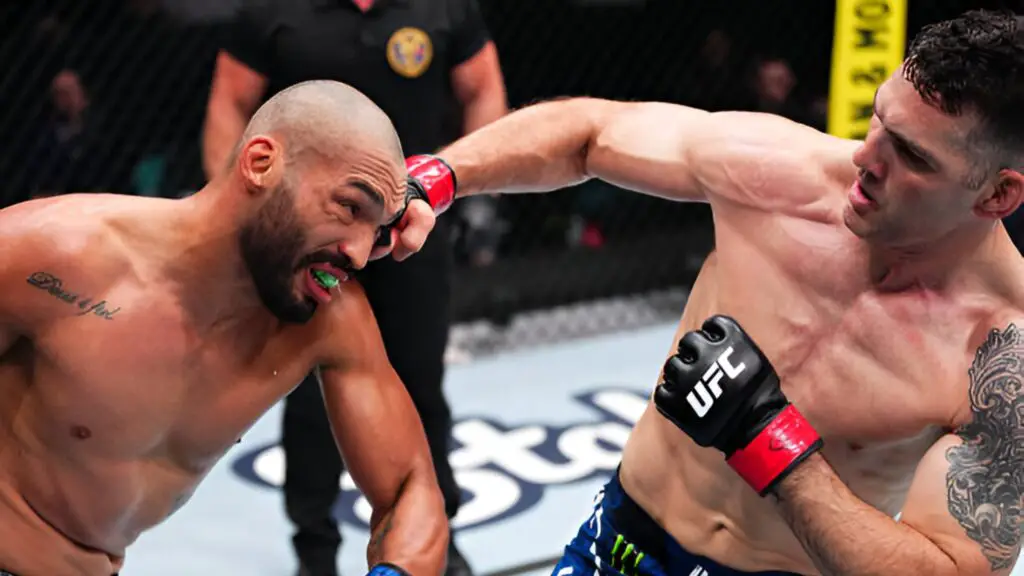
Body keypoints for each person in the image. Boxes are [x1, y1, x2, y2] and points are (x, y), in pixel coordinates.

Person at [406, 10, 1024, 575]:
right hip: (624, 539)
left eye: (912, 155)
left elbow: (946, 569)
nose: (866, 157)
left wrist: (770, 443)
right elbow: (591, 134)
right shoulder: (786, 176)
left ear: (997, 194)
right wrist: (432, 180)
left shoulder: (1002, 355)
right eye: (878, 119)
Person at [0, 79, 452, 576]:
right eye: (350, 207)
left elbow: (410, 489)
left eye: (377, 227)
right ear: (261, 164)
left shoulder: (327, 319)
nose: (361, 253)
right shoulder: (51, 255)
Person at [202, 2, 507, 573]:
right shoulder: (272, 8)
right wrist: (237, 208)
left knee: (420, 379)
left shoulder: (443, 6)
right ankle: (314, 548)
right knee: (308, 395)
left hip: (412, 228)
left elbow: (483, 88)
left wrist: (469, 186)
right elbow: (230, 104)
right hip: (309, 238)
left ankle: (437, 534)